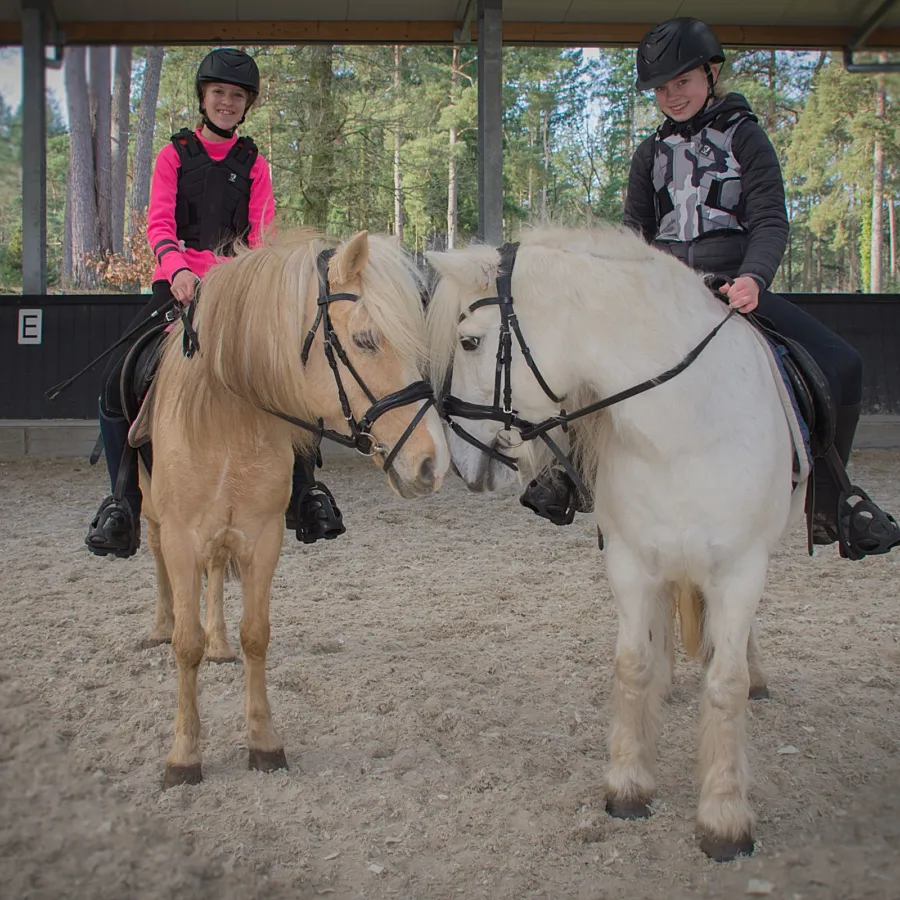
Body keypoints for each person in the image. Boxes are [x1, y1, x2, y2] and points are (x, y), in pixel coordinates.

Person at [619, 16, 896, 559]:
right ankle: (568, 479)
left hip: (734, 284)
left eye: (683, 82)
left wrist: (754, 278)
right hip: (666, 291)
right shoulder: (648, 154)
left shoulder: (745, 135)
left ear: (711, 73)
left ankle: (833, 504)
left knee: (843, 365)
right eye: (662, 88)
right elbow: (635, 231)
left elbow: (770, 219)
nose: (672, 96)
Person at [85, 48, 344, 558]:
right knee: (116, 376)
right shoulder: (173, 155)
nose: (227, 102)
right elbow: (159, 223)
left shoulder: (254, 163)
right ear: (203, 98)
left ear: (246, 106)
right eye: (219, 93)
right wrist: (178, 268)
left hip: (237, 296)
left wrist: (239, 283)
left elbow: (263, 235)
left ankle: (304, 491)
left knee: (292, 377)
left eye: (237, 96)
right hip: (175, 287)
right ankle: (124, 501)